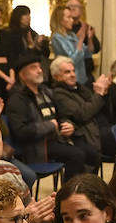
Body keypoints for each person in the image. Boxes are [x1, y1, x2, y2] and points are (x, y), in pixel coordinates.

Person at [6, 51, 99, 180]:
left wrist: (69, 125)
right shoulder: (17, 99)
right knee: (76, 155)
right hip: (37, 147)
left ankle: (87, 190)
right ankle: (68, 195)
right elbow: (20, 131)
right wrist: (49, 125)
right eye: (34, 68)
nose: (39, 70)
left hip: (57, 139)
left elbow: (61, 116)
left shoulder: (46, 92)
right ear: (22, 75)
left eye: (39, 67)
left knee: (93, 154)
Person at [50, 56, 111, 159]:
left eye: (73, 71)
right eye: (67, 72)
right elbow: (82, 114)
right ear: (57, 77)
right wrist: (99, 94)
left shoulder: (80, 88)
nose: (73, 75)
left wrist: (105, 92)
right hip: (81, 135)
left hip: (96, 129)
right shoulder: (59, 93)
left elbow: (99, 107)